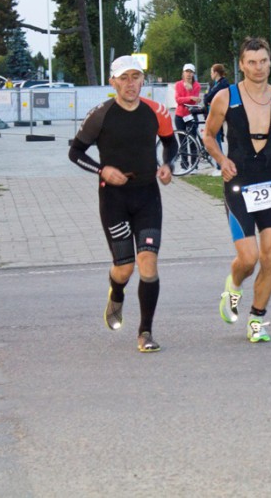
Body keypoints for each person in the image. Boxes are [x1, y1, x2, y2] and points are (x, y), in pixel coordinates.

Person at [68, 55, 177, 353]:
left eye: (136, 77)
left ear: (144, 80)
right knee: (124, 268)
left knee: (148, 264)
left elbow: (170, 142)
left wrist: (168, 164)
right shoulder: (101, 115)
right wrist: (102, 170)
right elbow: (75, 152)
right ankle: (116, 291)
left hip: (147, 196)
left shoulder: (156, 111)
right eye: (124, 78)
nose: (131, 84)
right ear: (112, 82)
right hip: (114, 199)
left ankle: (145, 332)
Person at [202, 37, 271, 343]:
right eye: (252, 62)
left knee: (270, 256)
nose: (259, 68)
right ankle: (233, 286)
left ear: (270, 63)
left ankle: (257, 319)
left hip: (270, 183)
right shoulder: (226, 98)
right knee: (248, 258)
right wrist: (221, 159)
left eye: (264, 62)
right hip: (239, 183)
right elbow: (208, 135)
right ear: (242, 65)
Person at [204, 64, 230, 174]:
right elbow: (207, 96)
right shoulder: (214, 84)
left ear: (216, 73)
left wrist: (208, 98)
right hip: (213, 113)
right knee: (215, 137)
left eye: (211, 72)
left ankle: (220, 166)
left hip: (220, 115)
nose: (210, 74)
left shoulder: (223, 84)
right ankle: (218, 165)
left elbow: (209, 96)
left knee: (216, 138)